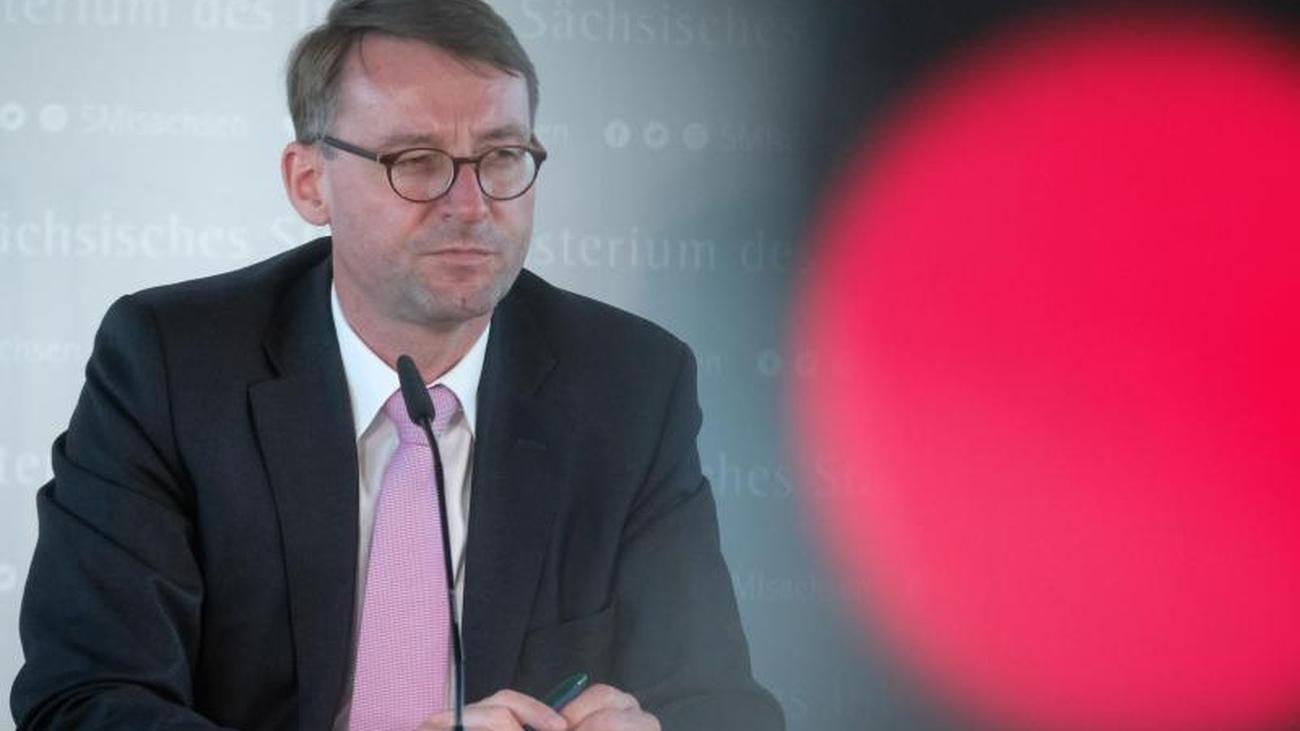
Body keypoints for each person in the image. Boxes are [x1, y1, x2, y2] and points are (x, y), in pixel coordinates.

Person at [9, 1, 785, 729]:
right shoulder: (171, 365)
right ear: (310, 182)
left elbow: (719, 702)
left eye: (502, 156)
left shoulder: (631, 386)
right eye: (416, 160)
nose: (471, 204)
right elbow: (83, 696)